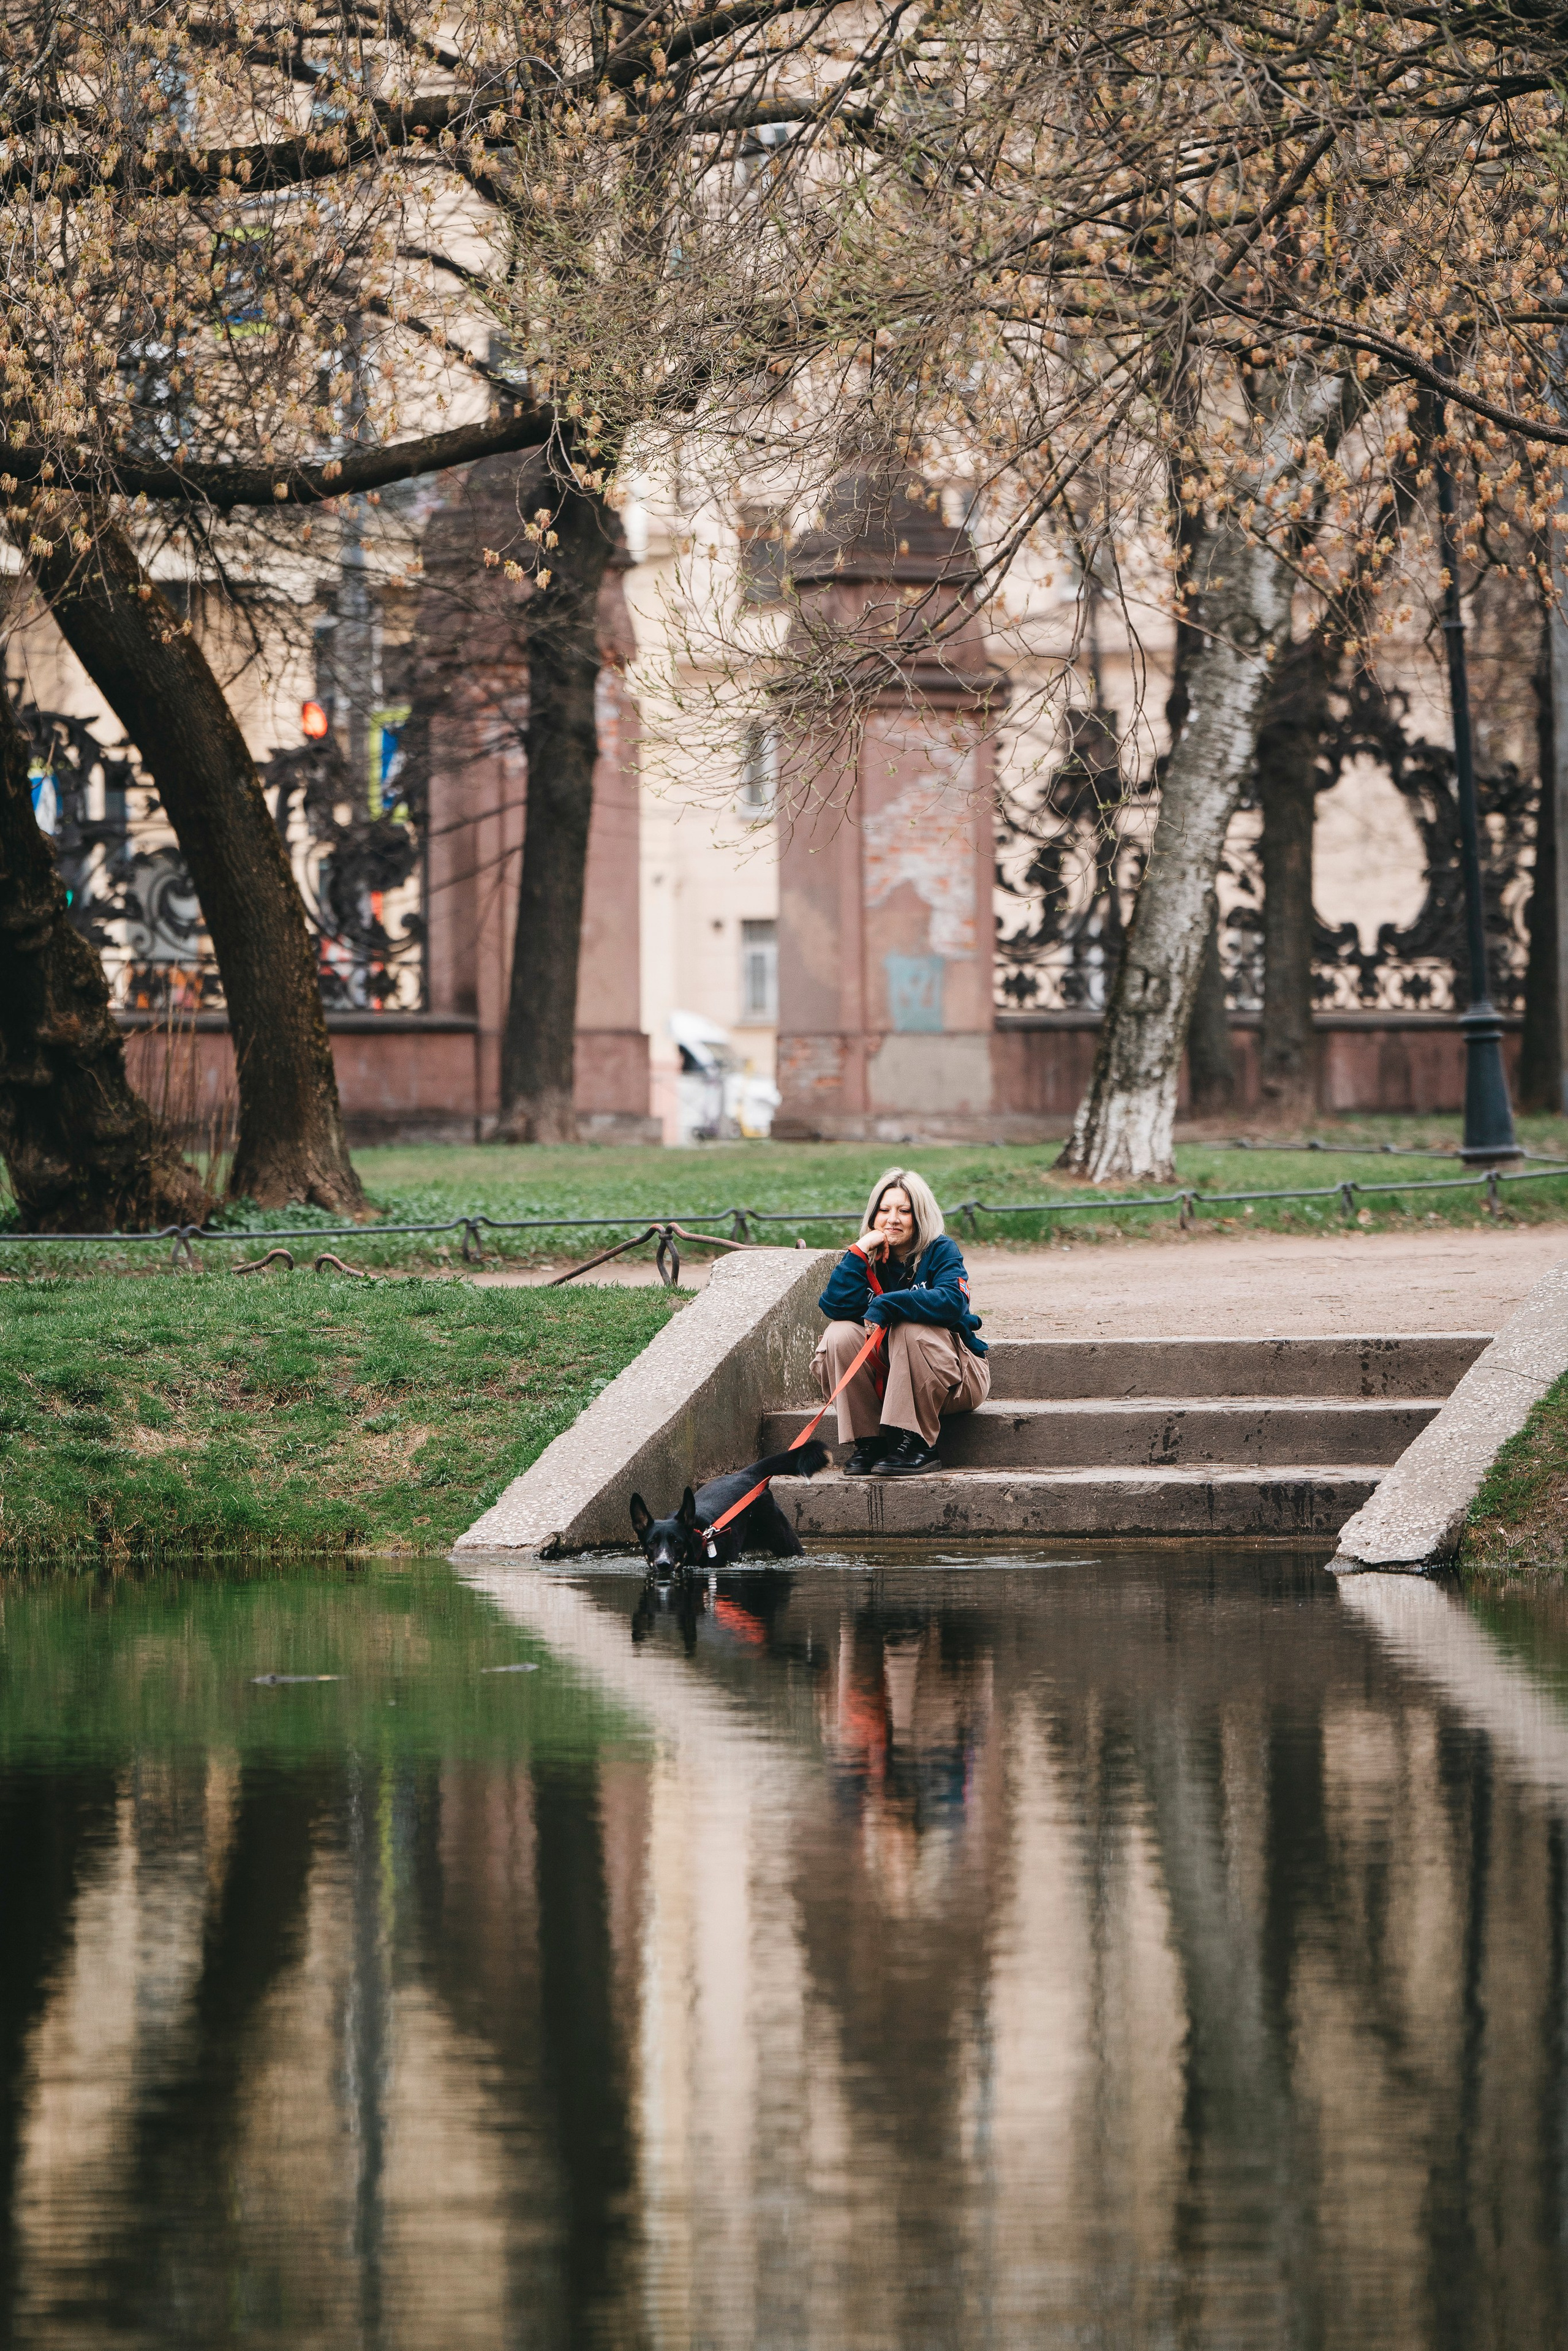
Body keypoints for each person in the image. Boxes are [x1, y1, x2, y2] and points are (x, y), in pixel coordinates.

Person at [814, 1166, 989, 1477]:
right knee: (839, 1333)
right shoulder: (865, 1258)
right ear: (873, 1216)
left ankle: (918, 1443)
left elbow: (952, 1302)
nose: (892, 1219)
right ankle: (871, 1442)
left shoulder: (941, 1250)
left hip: (957, 1378)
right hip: (888, 1375)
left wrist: (888, 1305)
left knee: (909, 1328)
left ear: (920, 1217)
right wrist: (859, 1250)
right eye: (884, 1210)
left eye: (904, 1211)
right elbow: (835, 1305)